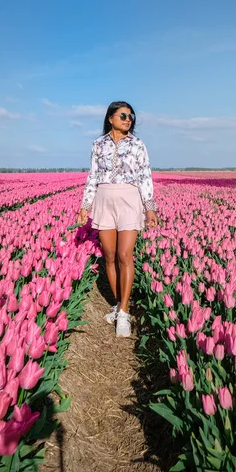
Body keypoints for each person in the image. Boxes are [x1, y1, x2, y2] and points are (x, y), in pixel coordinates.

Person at [76, 101, 158, 338]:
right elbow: (92, 176)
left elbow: (145, 175)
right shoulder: (97, 145)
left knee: (125, 255)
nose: (128, 118)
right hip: (104, 198)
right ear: (110, 118)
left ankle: (124, 312)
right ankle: (117, 303)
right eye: (122, 115)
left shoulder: (138, 145)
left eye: (130, 115)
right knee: (109, 256)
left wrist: (149, 207)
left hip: (129, 199)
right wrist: (85, 206)